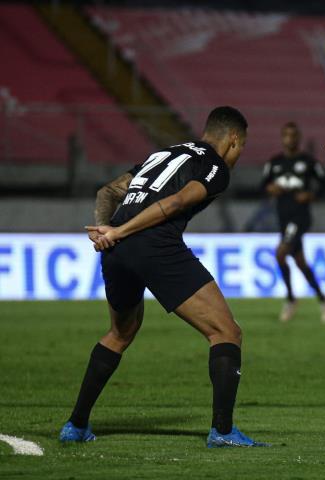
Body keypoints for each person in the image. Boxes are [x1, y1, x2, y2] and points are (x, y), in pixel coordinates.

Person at [59, 106, 266, 448]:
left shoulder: (163, 155)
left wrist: (105, 230)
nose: (239, 155)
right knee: (225, 332)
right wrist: (120, 229)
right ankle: (224, 432)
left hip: (117, 252)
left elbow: (108, 192)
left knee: (119, 333)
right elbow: (176, 203)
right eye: (241, 147)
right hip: (152, 244)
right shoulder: (213, 166)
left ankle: (76, 426)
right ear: (232, 139)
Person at [262, 122, 325, 323]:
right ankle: (323, 298)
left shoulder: (308, 162)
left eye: (293, 136)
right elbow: (263, 185)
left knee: (280, 253)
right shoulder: (274, 163)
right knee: (300, 262)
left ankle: (291, 298)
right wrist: (270, 189)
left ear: (298, 138)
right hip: (283, 218)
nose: (289, 139)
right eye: (286, 135)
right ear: (282, 138)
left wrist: (311, 195)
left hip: (300, 217)